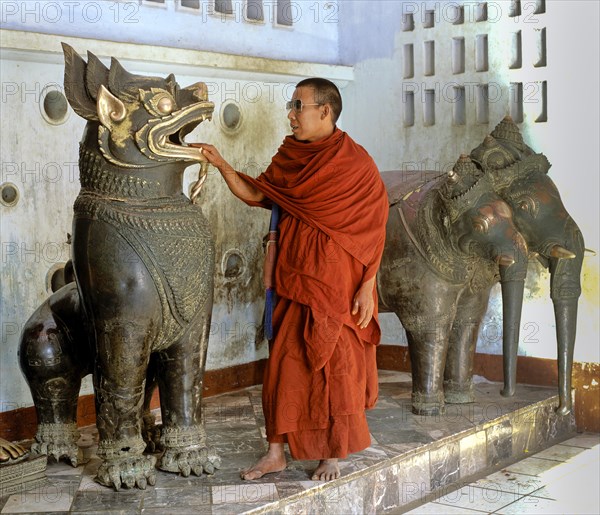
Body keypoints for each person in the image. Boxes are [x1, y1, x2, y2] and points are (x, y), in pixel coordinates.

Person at [192, 78, 388, 481]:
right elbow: (259, 193)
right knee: (284, 365)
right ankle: (275, 451)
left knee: (335, 365)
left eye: (299, 106)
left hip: (338, 284)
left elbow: (375, 227)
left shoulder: (356, 164)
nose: (291, 114)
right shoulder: (290, 154)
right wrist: (222, 164)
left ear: (325, 112)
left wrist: (368, 285)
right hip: (294, 277)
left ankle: (332, 454)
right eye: (291, 105)